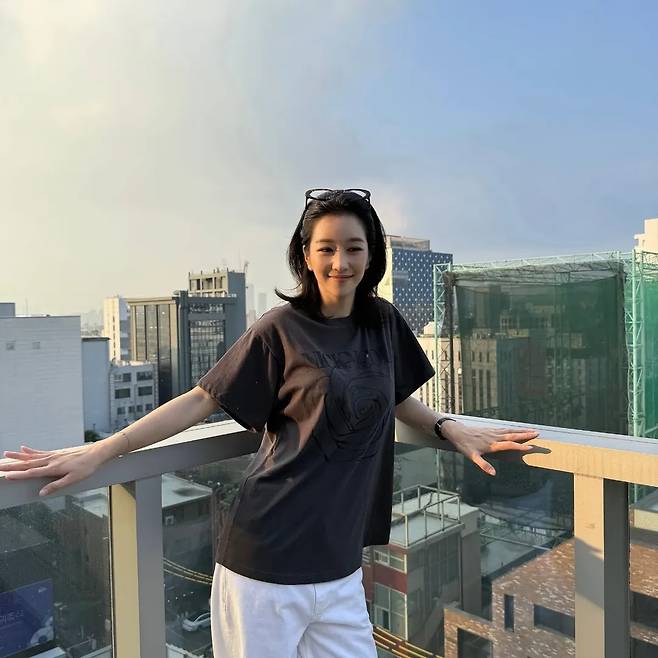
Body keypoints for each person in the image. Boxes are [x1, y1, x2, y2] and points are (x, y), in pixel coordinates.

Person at [1, 188, 538, 657]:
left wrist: (448, 427)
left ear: (372, 254)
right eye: (326, 248)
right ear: (305, 255)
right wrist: (103, 450)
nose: (341, 262)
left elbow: (394, 397)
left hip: (341, 568)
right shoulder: (279, 328)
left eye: (354, 248)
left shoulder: (383, 321)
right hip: (264, 564)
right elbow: (200, 400)